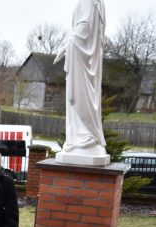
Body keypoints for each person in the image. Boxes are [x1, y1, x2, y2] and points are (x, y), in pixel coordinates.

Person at [54, 0, 107, 156]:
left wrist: (67, 46)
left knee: (79, 97)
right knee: (80, 98)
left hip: (81, 59)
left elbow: (83, 29)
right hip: (85, 59)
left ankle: (85, 136)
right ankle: (81, 136)